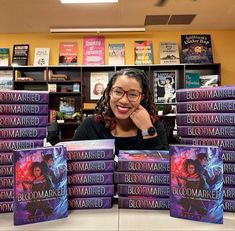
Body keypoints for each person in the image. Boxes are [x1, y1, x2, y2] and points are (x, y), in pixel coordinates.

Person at [73, 68, 168, 154]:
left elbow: (162, 168)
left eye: (133, 94)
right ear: (110, 92)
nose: (124, 101)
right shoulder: (91, 125)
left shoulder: (154, 126)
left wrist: (147, 130)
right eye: (118, 92)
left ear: (141, 98)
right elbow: (68, 161)